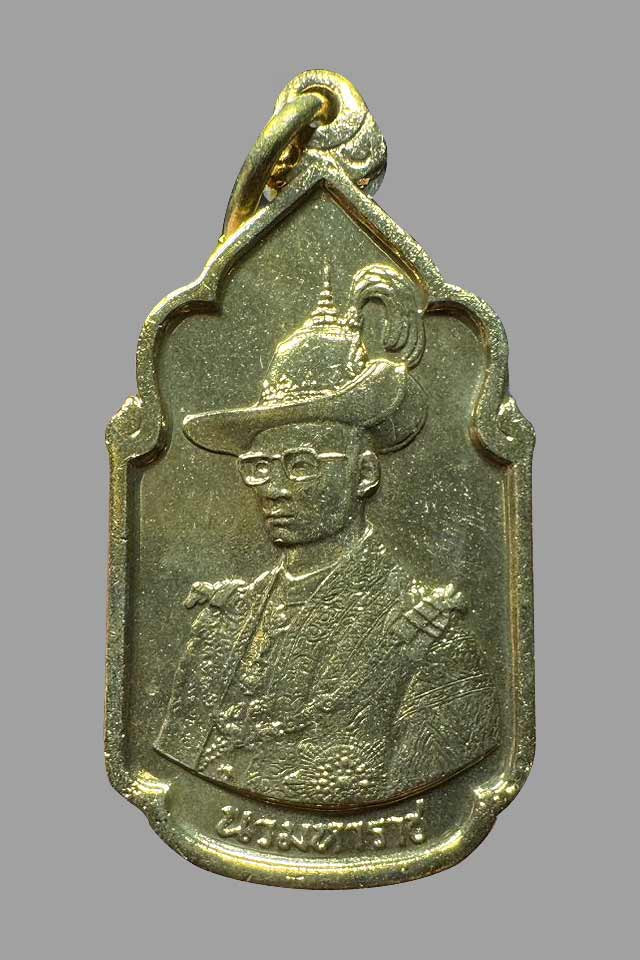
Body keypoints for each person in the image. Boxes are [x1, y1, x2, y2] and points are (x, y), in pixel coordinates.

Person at [155, 264, 499, 808]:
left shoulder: (428, 638)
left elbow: (429, 784)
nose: (275, 489)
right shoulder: (223, 623)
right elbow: (181, 761)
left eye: (302, 464)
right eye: (260, 467)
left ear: (364, 473)